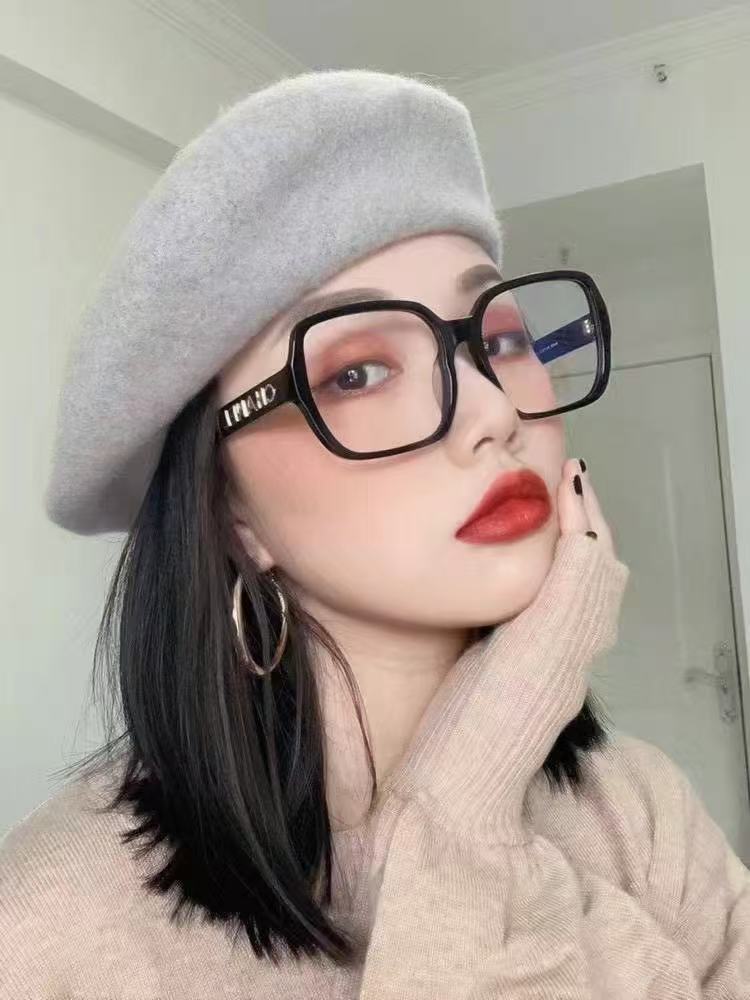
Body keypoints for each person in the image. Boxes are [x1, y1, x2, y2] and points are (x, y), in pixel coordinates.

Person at [1, 68, 748, 999]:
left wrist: (492, 755)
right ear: (232, 512)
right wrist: (462, 815)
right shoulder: (49, 927)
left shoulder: (639, 810)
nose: (491, 411)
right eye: (356, 373)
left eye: (498, 338)